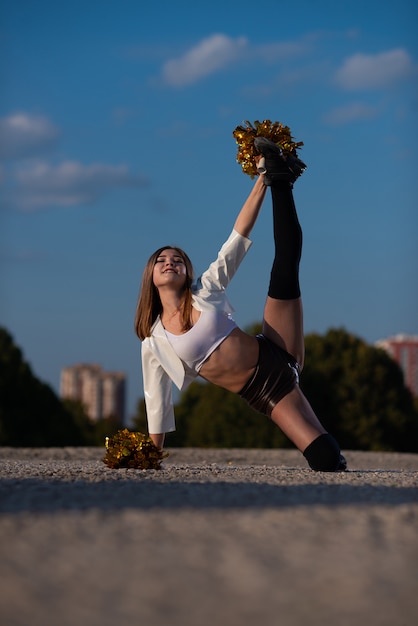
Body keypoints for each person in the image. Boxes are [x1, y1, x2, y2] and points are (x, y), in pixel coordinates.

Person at [135, 137, 347, 471]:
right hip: (265, 391)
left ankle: (281, 177)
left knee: (285, 267)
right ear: (150, 275)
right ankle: (336, 455)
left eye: (177, 259)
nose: (169, 262)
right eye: (161, 259)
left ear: (187, 269)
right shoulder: (154, 341)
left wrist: (263, 179)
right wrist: (150, 455)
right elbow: (156, 400)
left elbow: (237, 236)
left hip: (277, 346)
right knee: (325, 458)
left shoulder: (205, 290)